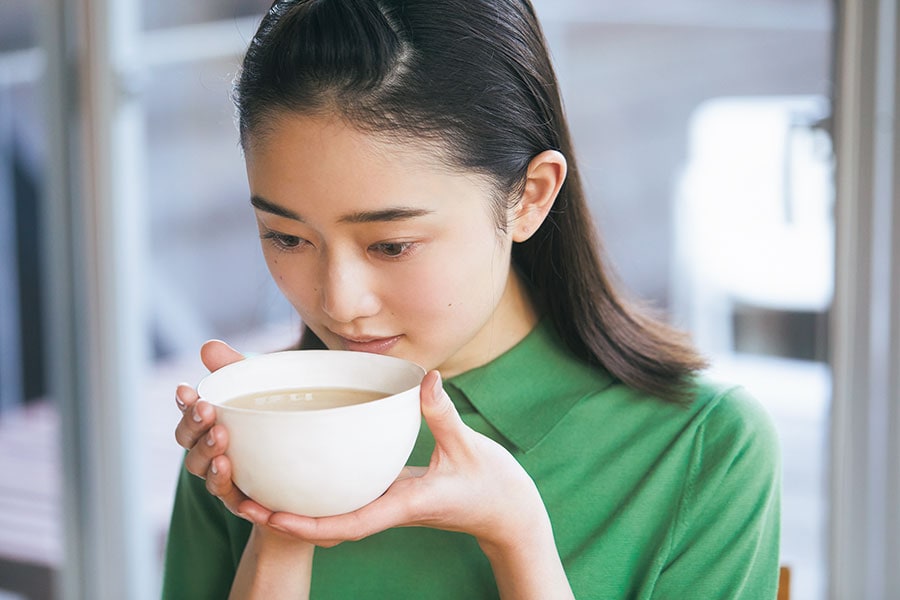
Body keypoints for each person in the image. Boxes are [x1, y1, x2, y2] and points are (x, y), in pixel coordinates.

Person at [162, 0, 782, 598]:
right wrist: (280, 511)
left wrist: (519, 538)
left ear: (530, 197)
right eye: (287, 237)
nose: (339, 302)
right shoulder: (243, 437)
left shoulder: (703, 448)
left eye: (392, 245)